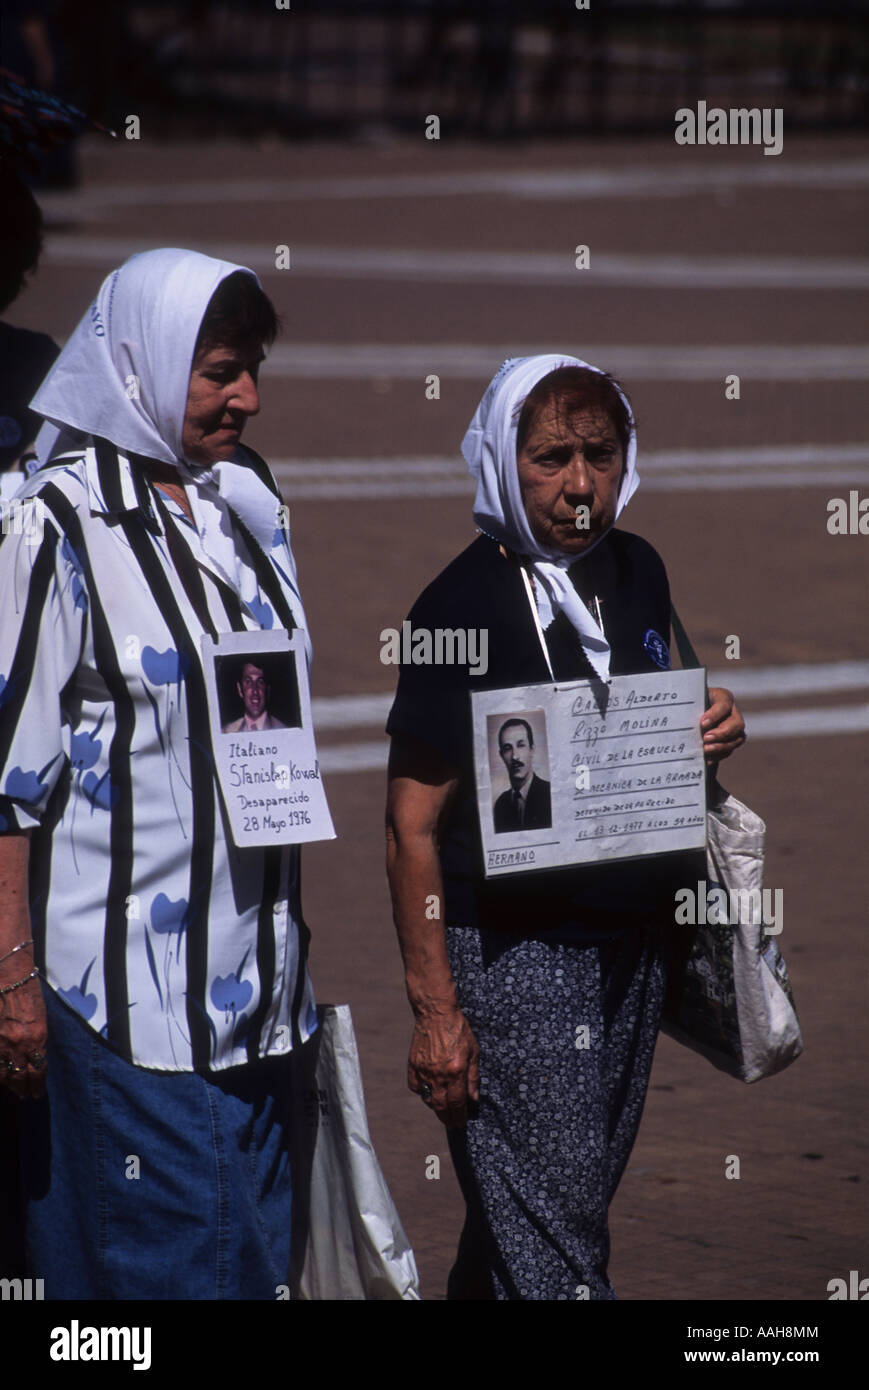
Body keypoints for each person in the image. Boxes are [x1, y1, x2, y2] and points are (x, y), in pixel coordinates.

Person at [385, 355, 746, 1300]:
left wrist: (712, 721)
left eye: (601, 453)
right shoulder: (457, 608)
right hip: (514, 959)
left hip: (631, 949)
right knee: (559, 1254)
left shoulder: (635, 568)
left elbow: (676, 695)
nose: (581, 485)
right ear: (504, 461)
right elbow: (409, 827)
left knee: (538, 1214)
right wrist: (437, 1015)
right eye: (550, 458)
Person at [0, 248, 320, 1300]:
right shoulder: (49, 525)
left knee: (248, 1267)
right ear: (141, 361)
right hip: (127, 996)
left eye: (252, 369)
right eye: (218, 371)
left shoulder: (246, 503)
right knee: (169, 1267)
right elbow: (7, 781)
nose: (247, 398)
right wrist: (10, 982)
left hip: (263, 991)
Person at [492, 716, 551, 832]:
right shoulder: (500, 804)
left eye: (521, 745)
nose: (515, 756)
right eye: (507, 748)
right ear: (501, 755)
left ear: (532, 750)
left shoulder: (549, 794)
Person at [222, 660, 287, 733]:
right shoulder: (227, 732)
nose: (255, 690)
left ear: (267, 690)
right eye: (248, 682)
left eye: (260, 682)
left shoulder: (284, 732)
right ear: (240, 689)